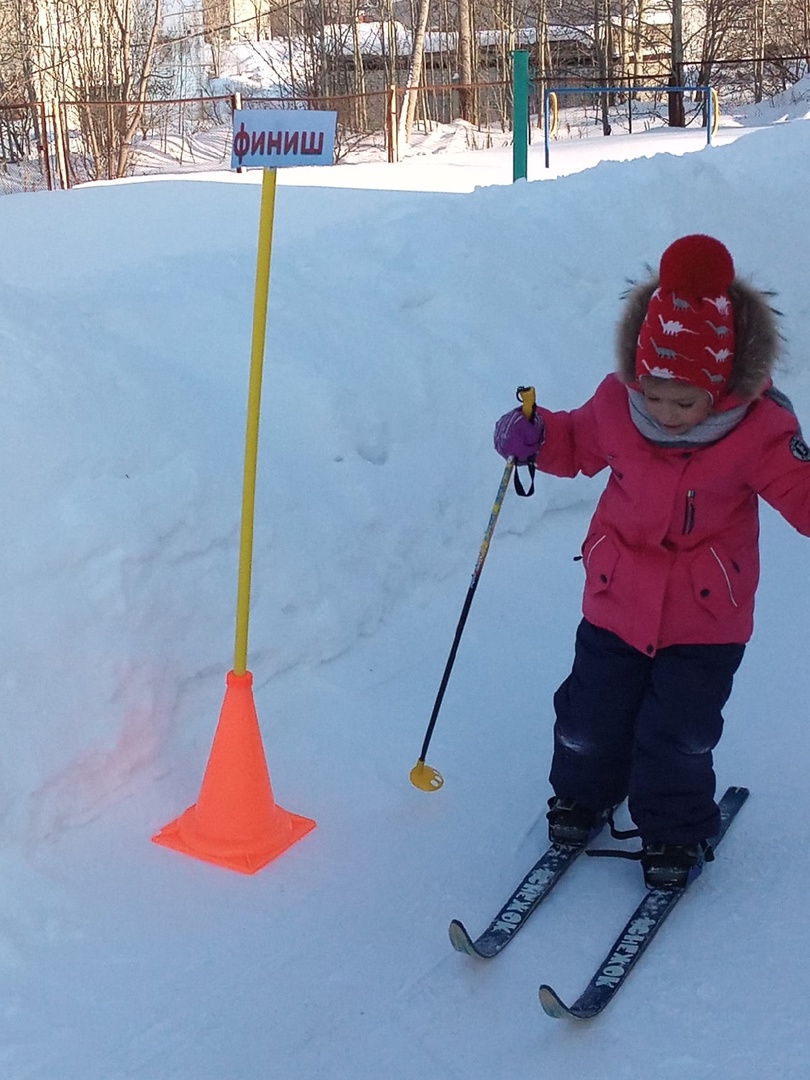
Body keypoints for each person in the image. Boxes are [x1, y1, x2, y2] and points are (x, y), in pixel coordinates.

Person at [493, 233, 810, 889]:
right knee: (590, 716)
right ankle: (584, 792)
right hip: (615, 598)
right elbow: (578, 440)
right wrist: (537, 435)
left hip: (705, 621)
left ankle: (672, 832)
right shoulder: (618, 403)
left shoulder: (759, 428)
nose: (666, 414)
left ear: (721, 386)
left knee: (676, 735)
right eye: (654, 395)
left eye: (684, 401)